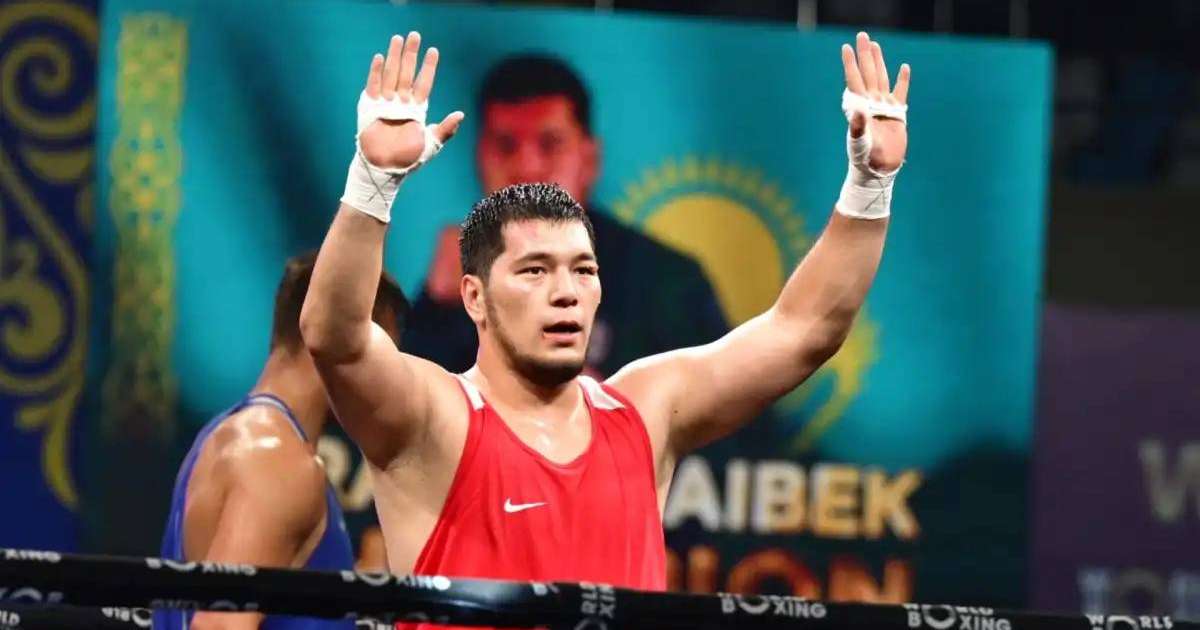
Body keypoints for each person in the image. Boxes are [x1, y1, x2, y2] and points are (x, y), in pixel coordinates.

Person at [302, 26, 909, 606]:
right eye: (535, 271)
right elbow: (337, 338)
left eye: (582, 270)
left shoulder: (645, 411)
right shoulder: (433, 418)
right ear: (474, 298)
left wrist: (870, 183)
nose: (565, 291)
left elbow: (805, 330)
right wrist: (372, 184)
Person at [402, 54, 729, 377]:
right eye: (506, 145)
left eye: (550, 144)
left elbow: (739, 420)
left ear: (590, 159)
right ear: (479, 156)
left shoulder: (663, 281)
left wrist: (619, 407)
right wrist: (435, 309)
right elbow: (381, 416)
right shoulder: (458, 283)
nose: (527, 168)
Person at [154, 252, 409, 630]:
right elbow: (220, 627)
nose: (391, 379)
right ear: (336, 333)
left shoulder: (236, 438)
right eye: (386, 352)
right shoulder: (276, 460)